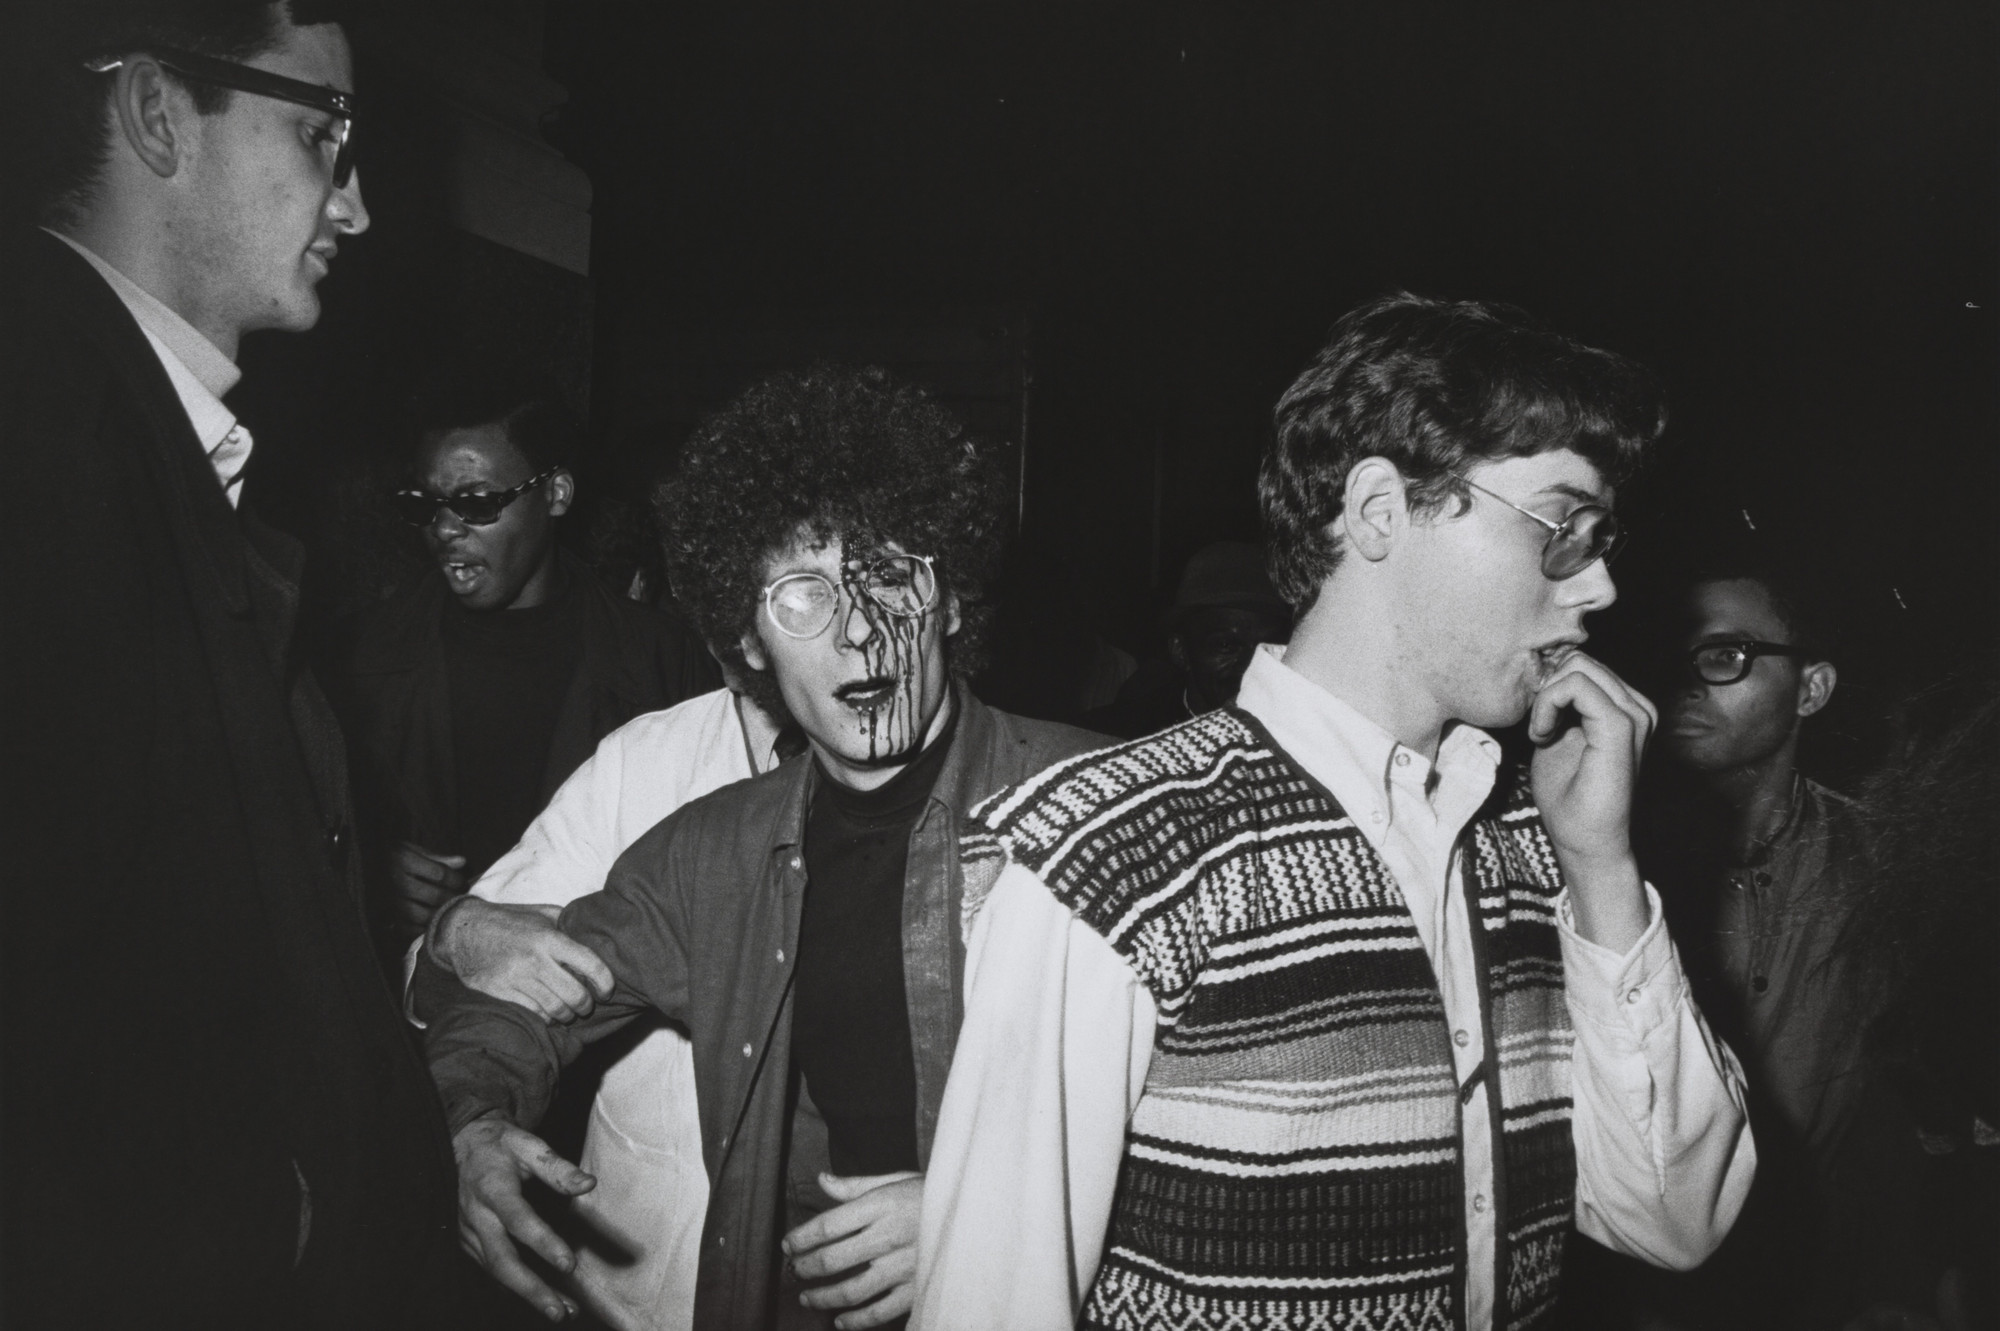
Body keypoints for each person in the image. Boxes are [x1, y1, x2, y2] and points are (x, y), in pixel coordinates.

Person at [913, 294, 1757, 1331]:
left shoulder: (1534, 842)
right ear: (1377, 511)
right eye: (1561, 529)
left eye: (1602, 537)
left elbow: (1672, 1220)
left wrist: (1601, 868)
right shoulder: (1111, 852)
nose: (1598, 585)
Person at [410, 366, 1105, 1329]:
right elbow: (525, 1007)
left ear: (948, 601)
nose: (859, 632)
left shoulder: (1110, 802)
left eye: (890, 576)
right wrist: (470, 1123)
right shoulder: (712, 852)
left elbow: (1241, 1117)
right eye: (802, 598)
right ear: (749, 641)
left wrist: (984, 1211)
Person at [0, 3, 457, 1327]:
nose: (357, 208)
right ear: (157, 114)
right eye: (324, 136)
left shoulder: (132, 432)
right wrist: (246, 1217)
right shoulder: (46, 429)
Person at [411, 672, 798, 1331]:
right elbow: (464, 980)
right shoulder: (644, 762)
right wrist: (457, 932)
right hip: (625, 1292)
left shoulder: (994, 787)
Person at [333, 370, 718, 956]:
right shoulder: (355, 658)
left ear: (556, 494)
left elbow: (713, 859)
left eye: (477, 502)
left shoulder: (664, 661)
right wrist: (368, 865)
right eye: (425, 504)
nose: (443, 528)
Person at [1088, 539, 1292, 737]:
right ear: (1180, 651)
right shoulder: (1124, 737)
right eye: (1225, 645)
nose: (1251, 666)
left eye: (1268, 647)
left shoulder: (1299, 738)